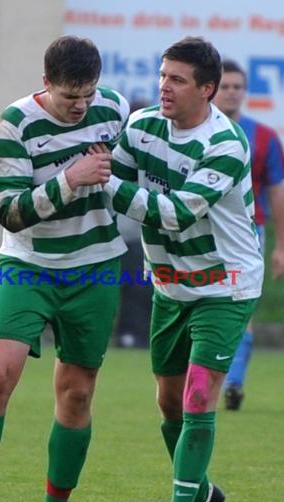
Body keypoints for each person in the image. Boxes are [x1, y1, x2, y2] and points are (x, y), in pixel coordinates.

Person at [0, 35, 129, 502]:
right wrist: (71, 179)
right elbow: (8, 212)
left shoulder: (114, 109)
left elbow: (128, 175)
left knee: (77, 393)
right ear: (46, 84)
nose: (82, 105)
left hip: (96, 267)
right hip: (28, 266)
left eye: (88, 93)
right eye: (71, 96)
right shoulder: (13, 124)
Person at [99, 36, 264, 502]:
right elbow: (114, 178)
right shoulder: (143, 127)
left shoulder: (226, 143)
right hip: (170, 286)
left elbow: (174, 211)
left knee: (197, 397)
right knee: (169, 401)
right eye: (162, 76)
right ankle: (201, 492)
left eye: (177, 79)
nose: (163, 87)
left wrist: (100, 177)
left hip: (226, 284)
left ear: (207, 90)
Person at [213, 59, 284, 410]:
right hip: (198, 232)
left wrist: (282, 247)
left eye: (237, 86)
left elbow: (277, 192)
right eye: (225, 86)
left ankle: (233, 381)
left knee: (241, 308)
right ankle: (203, 378)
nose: (231, 92)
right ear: (211, 88)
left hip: (247, 234)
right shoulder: (193, 131)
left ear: (244, 91)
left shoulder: (263, 136)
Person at [115, 99, 153, 349]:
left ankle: (139, 333)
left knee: (143, 287)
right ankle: (126, 332)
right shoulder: (117, 152)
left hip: (147, 235)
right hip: (120, 233)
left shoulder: (158, 152)